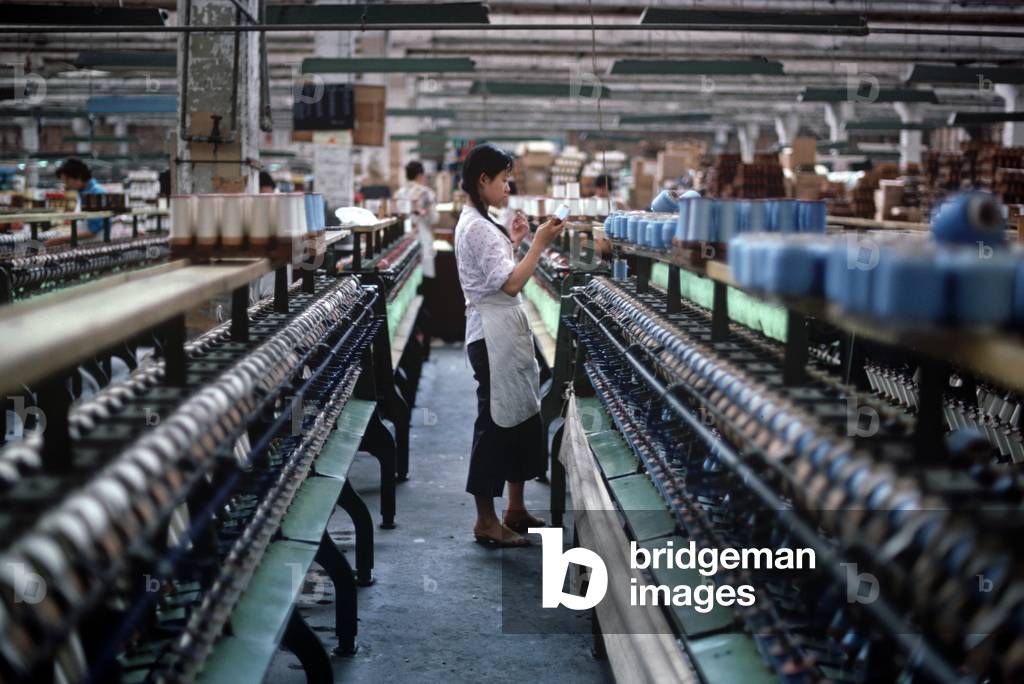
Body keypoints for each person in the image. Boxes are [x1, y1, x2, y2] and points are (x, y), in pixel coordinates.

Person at [454, 143, 565, 547]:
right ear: (483, 180)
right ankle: (485, 519)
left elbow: (497, 273)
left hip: (504, 331)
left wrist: (514, 243)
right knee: (495, 424)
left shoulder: (482, 223)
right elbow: (511, 284)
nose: (508, 186)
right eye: (503, 179)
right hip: (491, 336)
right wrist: (538, 243)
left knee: (520, 417)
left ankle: (514, 509)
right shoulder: (479, 227)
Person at [48, 158, 107, 246]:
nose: (66, 185)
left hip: (96, 246)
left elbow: (92, 231)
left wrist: (60, 240)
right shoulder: (83, 193)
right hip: (87, 246)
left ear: (78, 176)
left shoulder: (95, 193)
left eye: (67, 180)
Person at [394, 160, 438, 278]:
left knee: (406, 277)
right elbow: (434, 219)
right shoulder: (427, 193)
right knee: (424, 279)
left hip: (404, 240)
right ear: (420, 175)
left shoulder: (399, 194)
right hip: (423, 238)